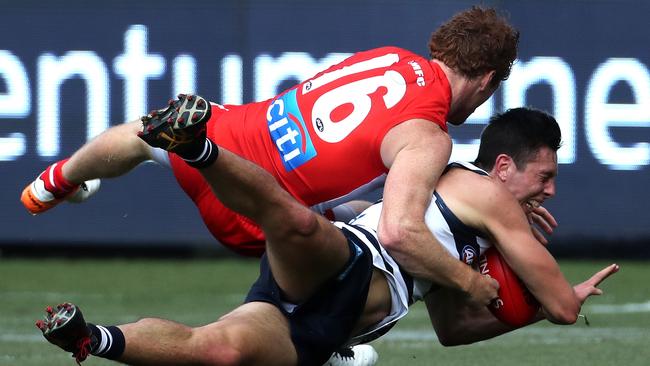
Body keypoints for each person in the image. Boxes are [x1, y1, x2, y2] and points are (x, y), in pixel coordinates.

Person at [36, 107, 618, 365]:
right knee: (294, 222)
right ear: (504, 170)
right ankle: (196, 146)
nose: (551, 192)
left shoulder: (479, 222)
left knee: (220, 350)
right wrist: (545, 296)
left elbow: (452, 330)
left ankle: (92, 340)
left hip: (320, 321)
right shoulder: (487, 195)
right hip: (353, 265)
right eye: (546, 176)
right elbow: (563, 307)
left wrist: (510, 301)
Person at [22, 6, 520, 306]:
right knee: (375, 238)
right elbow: (401, 231)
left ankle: (54, 183)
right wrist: (465, 283)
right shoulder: (430, 136)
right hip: (255, 214)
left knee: (145, 133)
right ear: (487, 79)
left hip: (224, 139)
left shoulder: (390, 56)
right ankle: (335, 347)